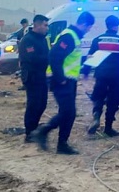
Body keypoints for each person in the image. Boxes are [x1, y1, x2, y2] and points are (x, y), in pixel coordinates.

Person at [33, 12, 95, 155]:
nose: (88, 30)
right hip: (61, 80)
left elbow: (70, 56)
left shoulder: (74, 37)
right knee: (68, 112)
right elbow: (54, 56)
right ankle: (43, 131)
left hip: (69, 80)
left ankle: (62, 144)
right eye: (89, 27)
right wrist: (60, 78)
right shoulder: (69, 36)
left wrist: (87, 58)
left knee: (69, 113)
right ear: (84, 24)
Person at [84, 15, 119, 137]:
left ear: (106, 25)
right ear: (116, 26)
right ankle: (108, 128)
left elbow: (90, 58)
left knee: (98, 96)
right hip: (116, 76)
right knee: (114, 100)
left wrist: (86, 72)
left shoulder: (98, 40)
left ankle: (96, 116)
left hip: (101, 74)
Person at [19, 15, 51, 143]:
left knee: (42, 104)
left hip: (42, 76)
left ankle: (34, 126)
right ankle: (29, 132)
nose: (46, 28)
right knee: (33, 104)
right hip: (32, 76)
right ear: (37, 25)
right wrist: (50, 58)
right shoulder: (28, 40)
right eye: (45, 25)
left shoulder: (42, 39)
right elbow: (32, 58)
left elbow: (44, 55)